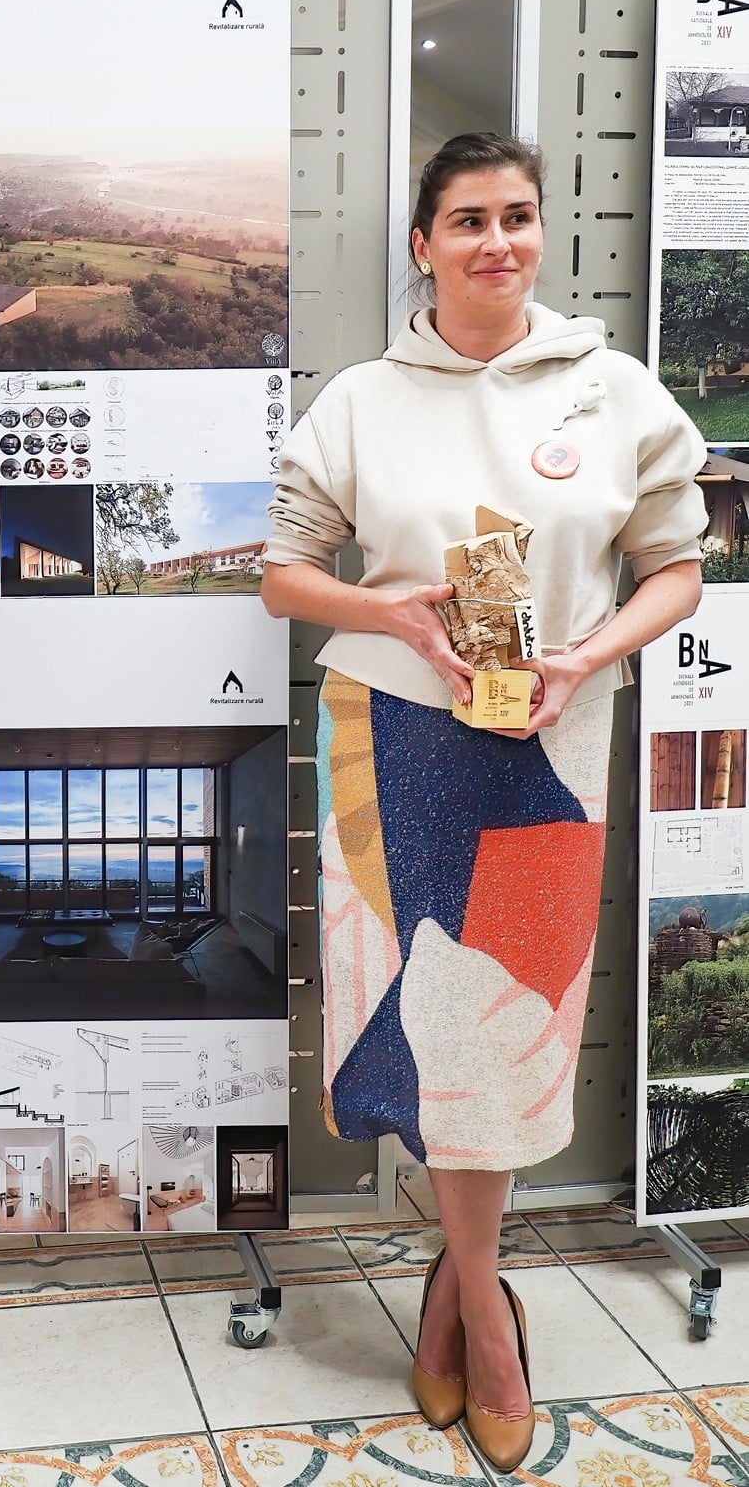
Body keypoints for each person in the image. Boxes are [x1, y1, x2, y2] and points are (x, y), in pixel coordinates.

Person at [262, 132, 705, 1473]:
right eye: (467, 220)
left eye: (516, 215)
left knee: (505, 1032)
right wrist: (389, 610)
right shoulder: (362, 399)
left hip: (551, 744)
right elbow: (285, 575)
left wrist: (587, 654)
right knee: (429, 1022)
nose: (495, 241)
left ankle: (467, 1304)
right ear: (423, 244)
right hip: (394, 735)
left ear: (539, 232)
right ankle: (481, 1305)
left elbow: (675, 570)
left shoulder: (610, 388)